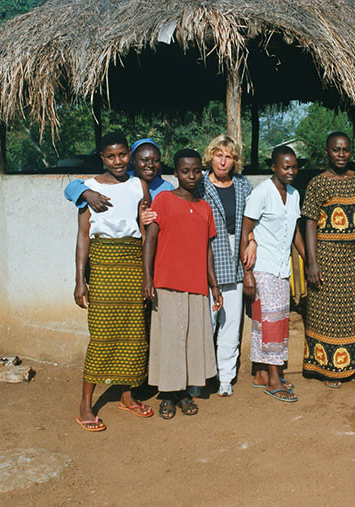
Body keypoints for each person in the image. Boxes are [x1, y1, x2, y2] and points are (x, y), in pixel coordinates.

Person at [73, 131, 153, 432]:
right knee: (102, 333)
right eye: (111, 156)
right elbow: (83, 236)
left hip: (132, 264)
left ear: (128, 156)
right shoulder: (88, 188)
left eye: (122, 155)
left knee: (134, 333)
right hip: (104, 265)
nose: (118, 161)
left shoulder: (138, 185)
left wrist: (148, 275)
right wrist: (80, 280)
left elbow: (144, 232)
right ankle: (85, 404)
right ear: (102, 157)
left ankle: (126, 396)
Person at [142, 149, 222, 419]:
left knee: (190, 340)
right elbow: (150, 241)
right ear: (175, 172)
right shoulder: (163, 200)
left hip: (196, 284)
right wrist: (148, 279)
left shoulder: (205, 207)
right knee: (170, 340)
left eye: (196, 170)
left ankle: (185, 392)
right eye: (185, 171)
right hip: (167, 282)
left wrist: (214, 285)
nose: (191, 176)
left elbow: (207, 249)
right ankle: (167, 394)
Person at [301, 132, 355, 388]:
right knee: (326, 312)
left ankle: (354, 367)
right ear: (327, 152)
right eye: (336, 150)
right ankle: (328, 369)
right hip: (326, 257)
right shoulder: (317, 184)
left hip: (353, 258)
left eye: (345, 150)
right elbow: (309, 223)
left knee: (354, 312)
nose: (341, 155)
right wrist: (312, 262)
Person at [240, 146, 306, 402]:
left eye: (294, 167)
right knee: (269, 325)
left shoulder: (294, 194)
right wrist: (247, 273)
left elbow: (295, 232)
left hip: (282, 269)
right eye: (285, 167)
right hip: (263, 268)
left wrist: (308, 258)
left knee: (275, 321)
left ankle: (262, 375)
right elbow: (246, 231)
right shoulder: (261, 193)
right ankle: (274, 379)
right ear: (274, 167)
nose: (291, 172)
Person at [195, 134, 255, 397]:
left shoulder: (243, 185)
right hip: (205, 258)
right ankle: (197, 378)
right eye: (218, 154)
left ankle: (225, 378)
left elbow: (252, 219)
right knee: (205, 322)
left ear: (234, 161)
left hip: (235, 257)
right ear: (211, 156)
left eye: (228, 156)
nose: (223, 161)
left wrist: (252, 241)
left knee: (231, 324)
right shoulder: (199, 185)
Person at [64, 138, 174, 211]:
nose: (150, 165)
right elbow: (70, 188)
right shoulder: (123, 179)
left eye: (156, 160)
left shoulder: (167, 188)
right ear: (133, 161)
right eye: (144, 160)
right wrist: (86, 192)